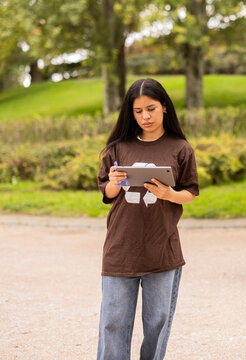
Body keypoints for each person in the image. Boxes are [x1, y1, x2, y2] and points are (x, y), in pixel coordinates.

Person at [96, 78, 199, 359]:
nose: (145, 117)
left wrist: (168, 193)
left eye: (151, 109)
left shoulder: (181, 148)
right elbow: (105, 191)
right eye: (138, 111)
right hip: (121, 247)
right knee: (112, 323)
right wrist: (115, 182)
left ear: (164, 107)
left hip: (161, 248)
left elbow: (190, 193)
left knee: (157, 324)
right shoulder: (118, 147)